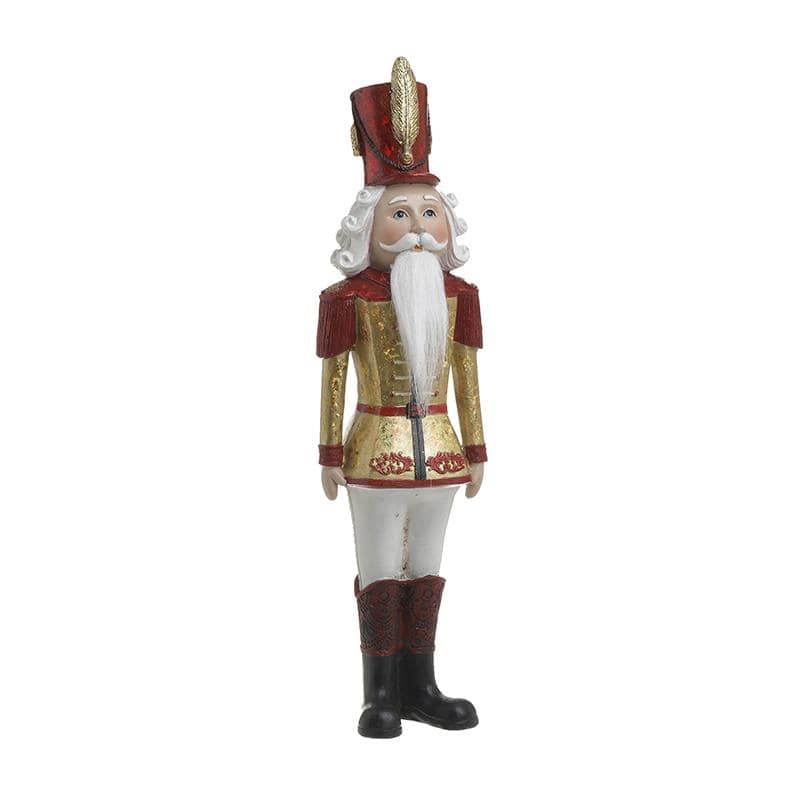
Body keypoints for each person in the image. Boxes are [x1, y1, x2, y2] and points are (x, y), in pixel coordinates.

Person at [317, 57, 488, 738]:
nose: (418, 227)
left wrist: (478, 448)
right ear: (368, 227)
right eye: (400, 213)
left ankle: (422, 684)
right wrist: (329, 452)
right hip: (373, 453)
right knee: (381, 567)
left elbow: (468, 377)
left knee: (429, 567)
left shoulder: (460, 297)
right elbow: (333, 378)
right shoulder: (347, 300)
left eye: (429, 213)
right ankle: (380, 691)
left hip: (441, 454)